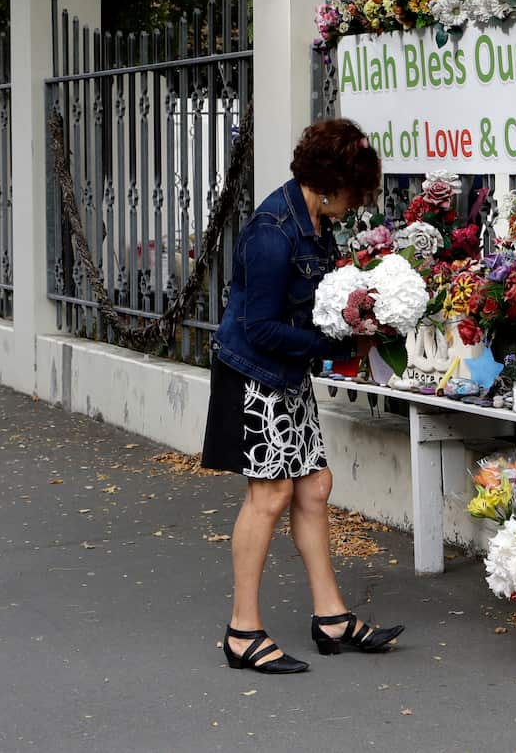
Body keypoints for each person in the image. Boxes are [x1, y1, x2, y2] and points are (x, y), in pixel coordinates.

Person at [203, 118, 404, 674]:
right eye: (353, 193)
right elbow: (260, 326)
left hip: (286, 373)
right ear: (332, 182)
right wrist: (334, 343)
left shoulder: (315, 223)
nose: (355, 206)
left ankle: (332, 617)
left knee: (314, 486)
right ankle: (242, 631)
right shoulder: (273, 229)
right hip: (253, 374)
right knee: (269, 497)